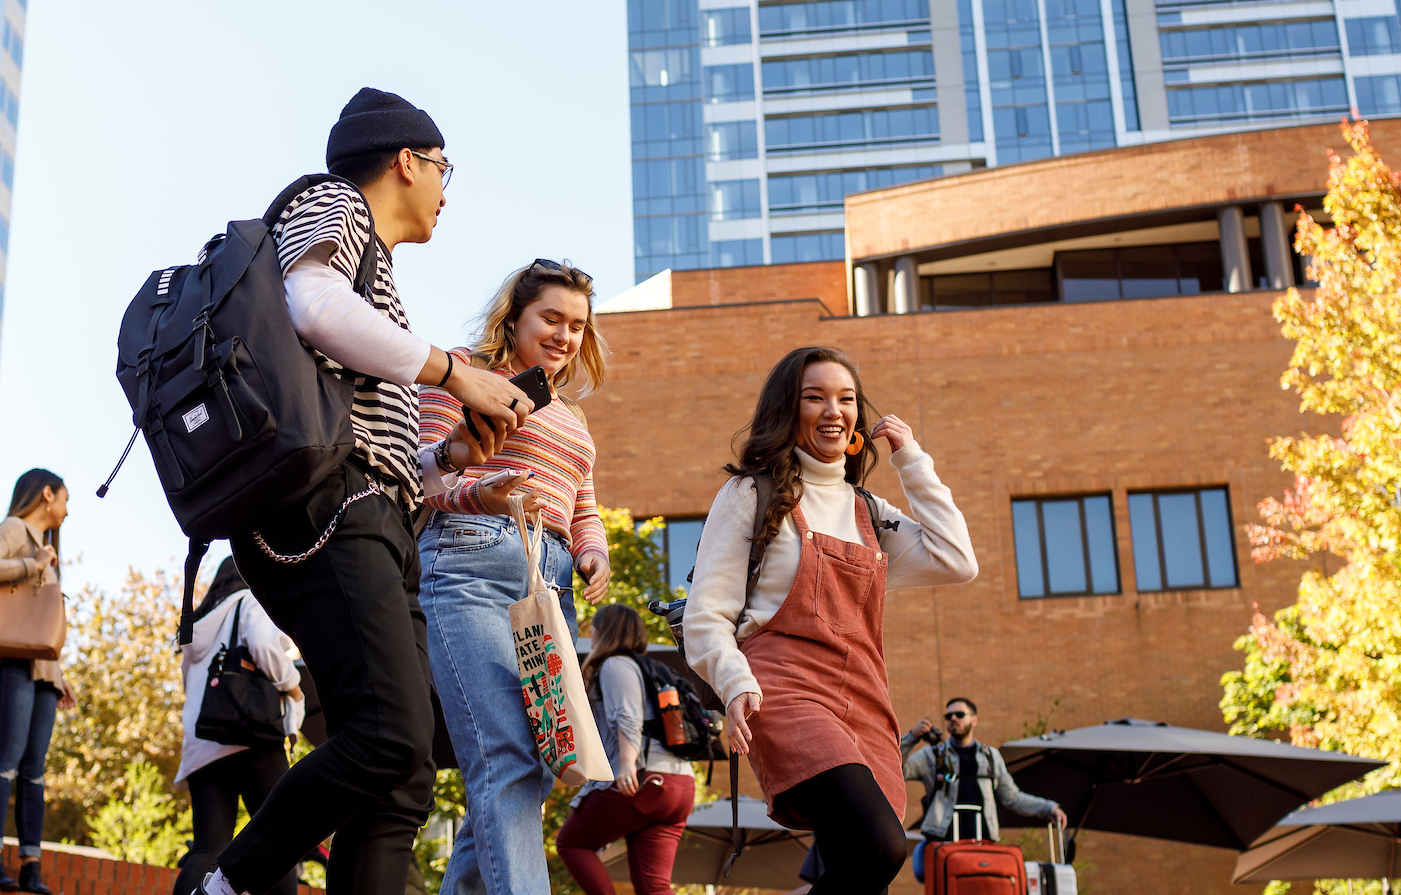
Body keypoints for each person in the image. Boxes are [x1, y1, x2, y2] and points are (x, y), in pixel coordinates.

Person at [197, 88, 532, 895]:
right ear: (406, 160)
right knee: (388, 735)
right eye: (445, 168)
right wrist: (456, 374)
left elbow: (370, 444)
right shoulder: (334, 202)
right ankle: (226, 885)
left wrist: (446, 457)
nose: (447, 190)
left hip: (368, 514)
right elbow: (310, 305)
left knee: (403, 770)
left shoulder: (376, 272)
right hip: (324, 516)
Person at [682, 347, 980, 895]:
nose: (833, 411)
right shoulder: (751, 491)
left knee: (869, 879)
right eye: (814, 397)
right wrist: (733, 682)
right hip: (785, 692)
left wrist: (911, 458)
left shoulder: (869, 511)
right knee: (881, 846)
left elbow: (957, 560)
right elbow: (707, 615)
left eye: (846, 399)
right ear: (787, 411)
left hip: (867, 704)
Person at [413, 259, 613, 895]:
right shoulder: (464, 374)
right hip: (470, 564)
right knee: (505, 757)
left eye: (576, 326)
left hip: (548, 591)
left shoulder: (573, 418)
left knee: (534, 766)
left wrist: (594, 555)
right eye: (550, 318)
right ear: (515, 317)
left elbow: (582, 503)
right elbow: (424, 474)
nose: (563, 336)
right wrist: (485, 494)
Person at [0, 469, 80, 893]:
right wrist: (30, 565)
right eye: (65, 500)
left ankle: (31, 865)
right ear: (47, 494)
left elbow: (42, 625)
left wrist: (60, 675)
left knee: (35, 771)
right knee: (7, 761)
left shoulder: (48, 551)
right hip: (11, 663)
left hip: (42, 673)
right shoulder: (16, 529)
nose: (67, 511)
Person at [174, 558, 304, 895]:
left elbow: (189, 684)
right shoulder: (251, 600)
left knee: (206, 846)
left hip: (203, 743)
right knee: (280, 839)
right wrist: (292, 683)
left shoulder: (197, 624)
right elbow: (262, 643)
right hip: (253, 735)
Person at [554, 605, 697, 895]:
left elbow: (627, 715)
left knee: (572, 843)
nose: (590, 633)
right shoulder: (651, 668)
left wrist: (627, 764)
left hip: (644, 779)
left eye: (594, 627)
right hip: (678, 786)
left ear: (605, 631)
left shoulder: (616, 664)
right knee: (654, 886)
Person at [899, 697, 1063, 880]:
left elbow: (1013, 798)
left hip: (983, 848)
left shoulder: (991, 757)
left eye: (959, 714)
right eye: (948, 716)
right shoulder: (932, 756)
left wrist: (1049, 808)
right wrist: (911, 737)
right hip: (942, 846)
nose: (953, 718)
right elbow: (897, 769)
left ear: (974, 720)